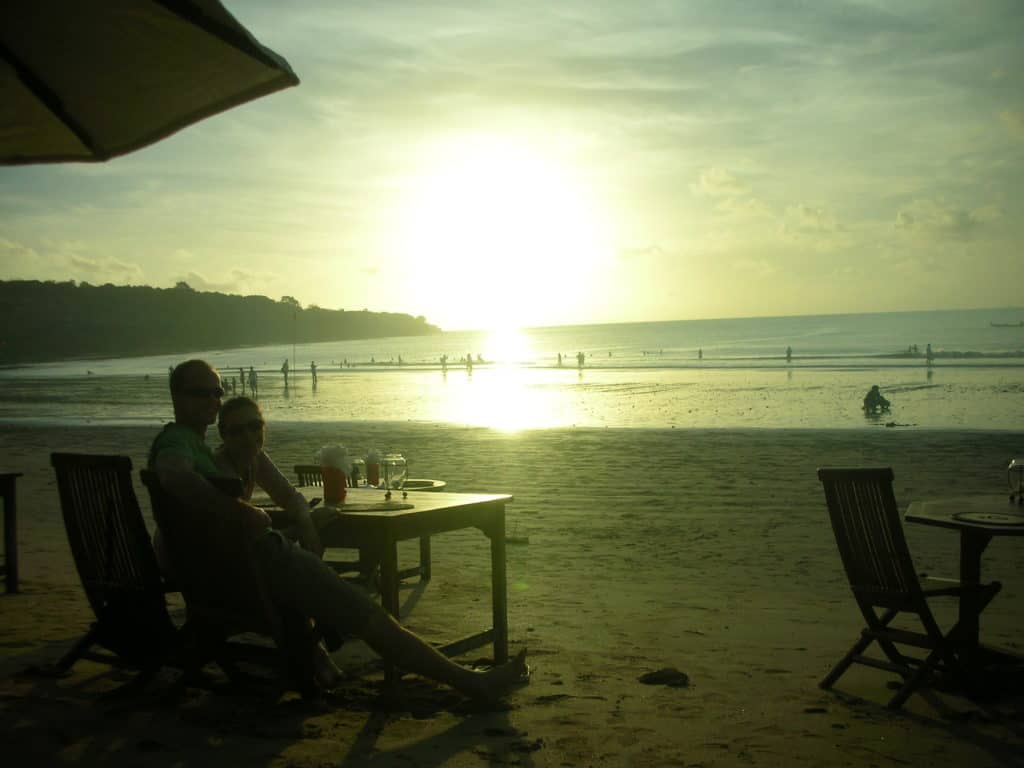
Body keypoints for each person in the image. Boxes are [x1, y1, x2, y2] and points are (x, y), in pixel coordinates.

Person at [150, 360, 528, 699]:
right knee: (365, 613)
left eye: (217, 392)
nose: (212, 400)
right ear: (176, 397)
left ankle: (321, 656)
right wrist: (241, 511)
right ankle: (470, 682)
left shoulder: (198, 447)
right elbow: (172, 476)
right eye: (201, 393)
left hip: (240, 569)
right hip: (256, 566)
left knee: (349, 602)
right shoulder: (177, 441)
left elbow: (283, 497)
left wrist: (297, 523)